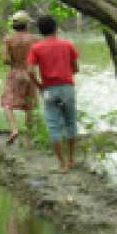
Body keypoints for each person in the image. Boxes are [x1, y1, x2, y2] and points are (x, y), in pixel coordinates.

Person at [26, 15, 79, 172]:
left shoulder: (36, 48)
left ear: (40, 31)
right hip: (67, 88)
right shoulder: (67, 45)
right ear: (56, 28)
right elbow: (76, 68)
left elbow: (30, 70)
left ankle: (61, 164)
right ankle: (71, 159)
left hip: (49, 90)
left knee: (53, 126)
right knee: (70, 123)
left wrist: (39, 86)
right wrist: (67, 74)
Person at [0, 11, 38, 145]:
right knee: (30, 105)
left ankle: (14, 129)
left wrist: (14, 63)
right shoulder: (34, 39)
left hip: (16, 72)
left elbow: (5, 59)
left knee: (7, 103)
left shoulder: (8, 39)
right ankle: (30, 136)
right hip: (30, 73)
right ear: (27, 25)